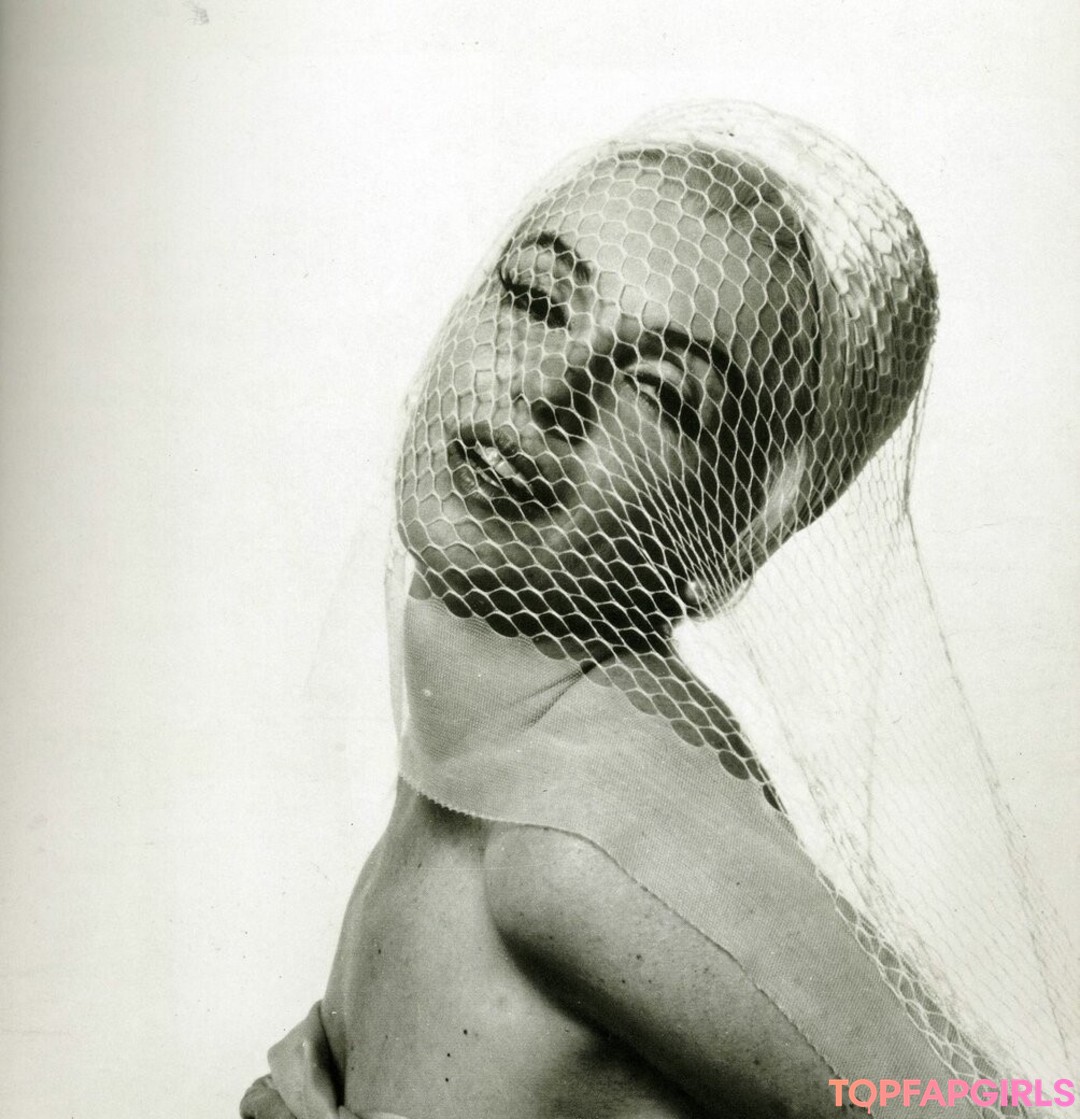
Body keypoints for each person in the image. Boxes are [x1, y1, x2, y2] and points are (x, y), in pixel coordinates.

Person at [241, 103, 1074, 1119]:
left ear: (736, 537)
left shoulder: (578, 851)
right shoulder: (482, 743)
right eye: (536, 297)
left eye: (662, 392)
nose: (550, 388)